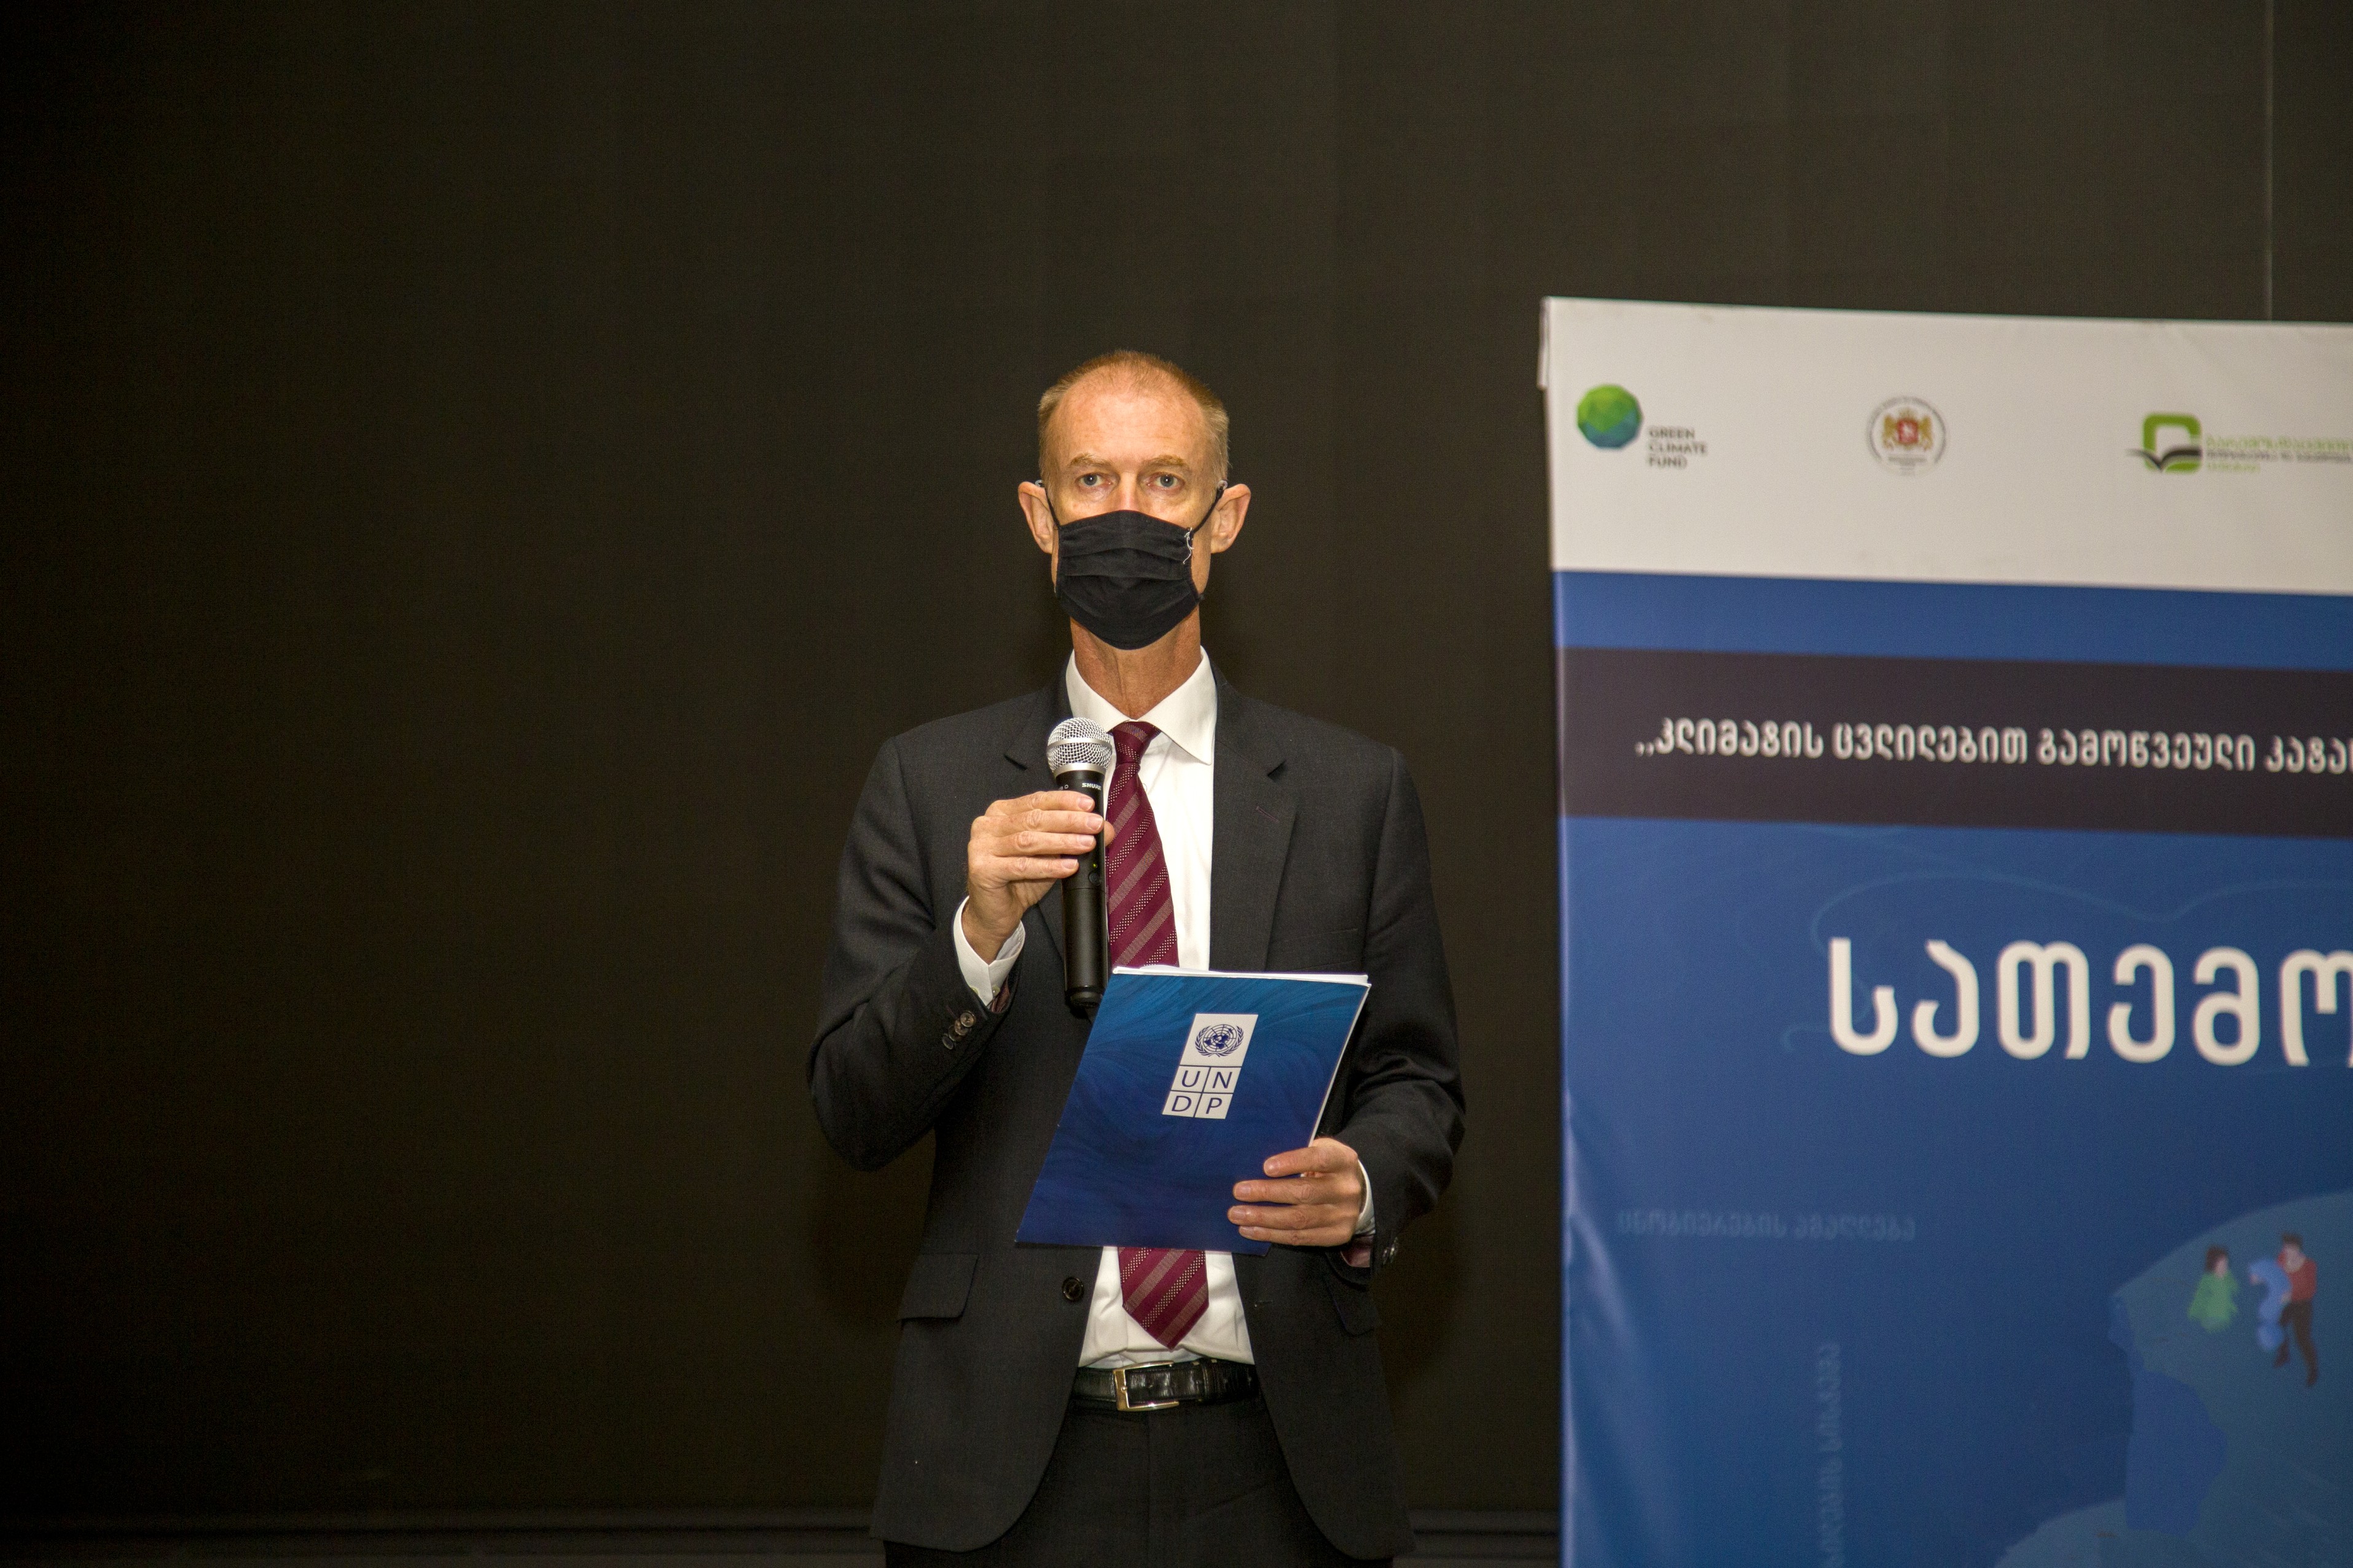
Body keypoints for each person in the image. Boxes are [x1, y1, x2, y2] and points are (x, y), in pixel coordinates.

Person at [809, 350, 1464, 1566]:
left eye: (1164, 482)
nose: (1127, 515)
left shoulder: (1352, 791)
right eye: (1090, 480)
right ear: (1039, 514)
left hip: (1278, 1460)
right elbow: (852, 1109)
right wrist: (977, 935)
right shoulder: (929, 784)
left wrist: (1365, 1178)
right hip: (1008, 1465)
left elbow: (1419, 1080)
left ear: (1226, 514)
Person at [2274, 1233, 2317, 1386]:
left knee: (2302, 1339)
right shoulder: (2281, 1259)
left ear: (2297, 1249)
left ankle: (2313, 1370)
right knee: (2277, 1325)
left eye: (2290, 1248)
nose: (2287, 1252)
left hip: (2303, 1306)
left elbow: (2310, 1290)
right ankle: (2284, 1354)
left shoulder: (2309, 1266)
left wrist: (2290, 1295)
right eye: (2285, 1248)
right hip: (2288, 1304)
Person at [2188, 1245, 2237, 1331]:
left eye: (2226, 1263)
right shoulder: (2207, 1281)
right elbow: (2199, 1300)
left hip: (2225, 1320)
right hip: (2212, 1320)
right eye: (2222, 1264)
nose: (2225, 1266)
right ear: (2214, 1264)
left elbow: (2233, 1292)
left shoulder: (2228, 1279)